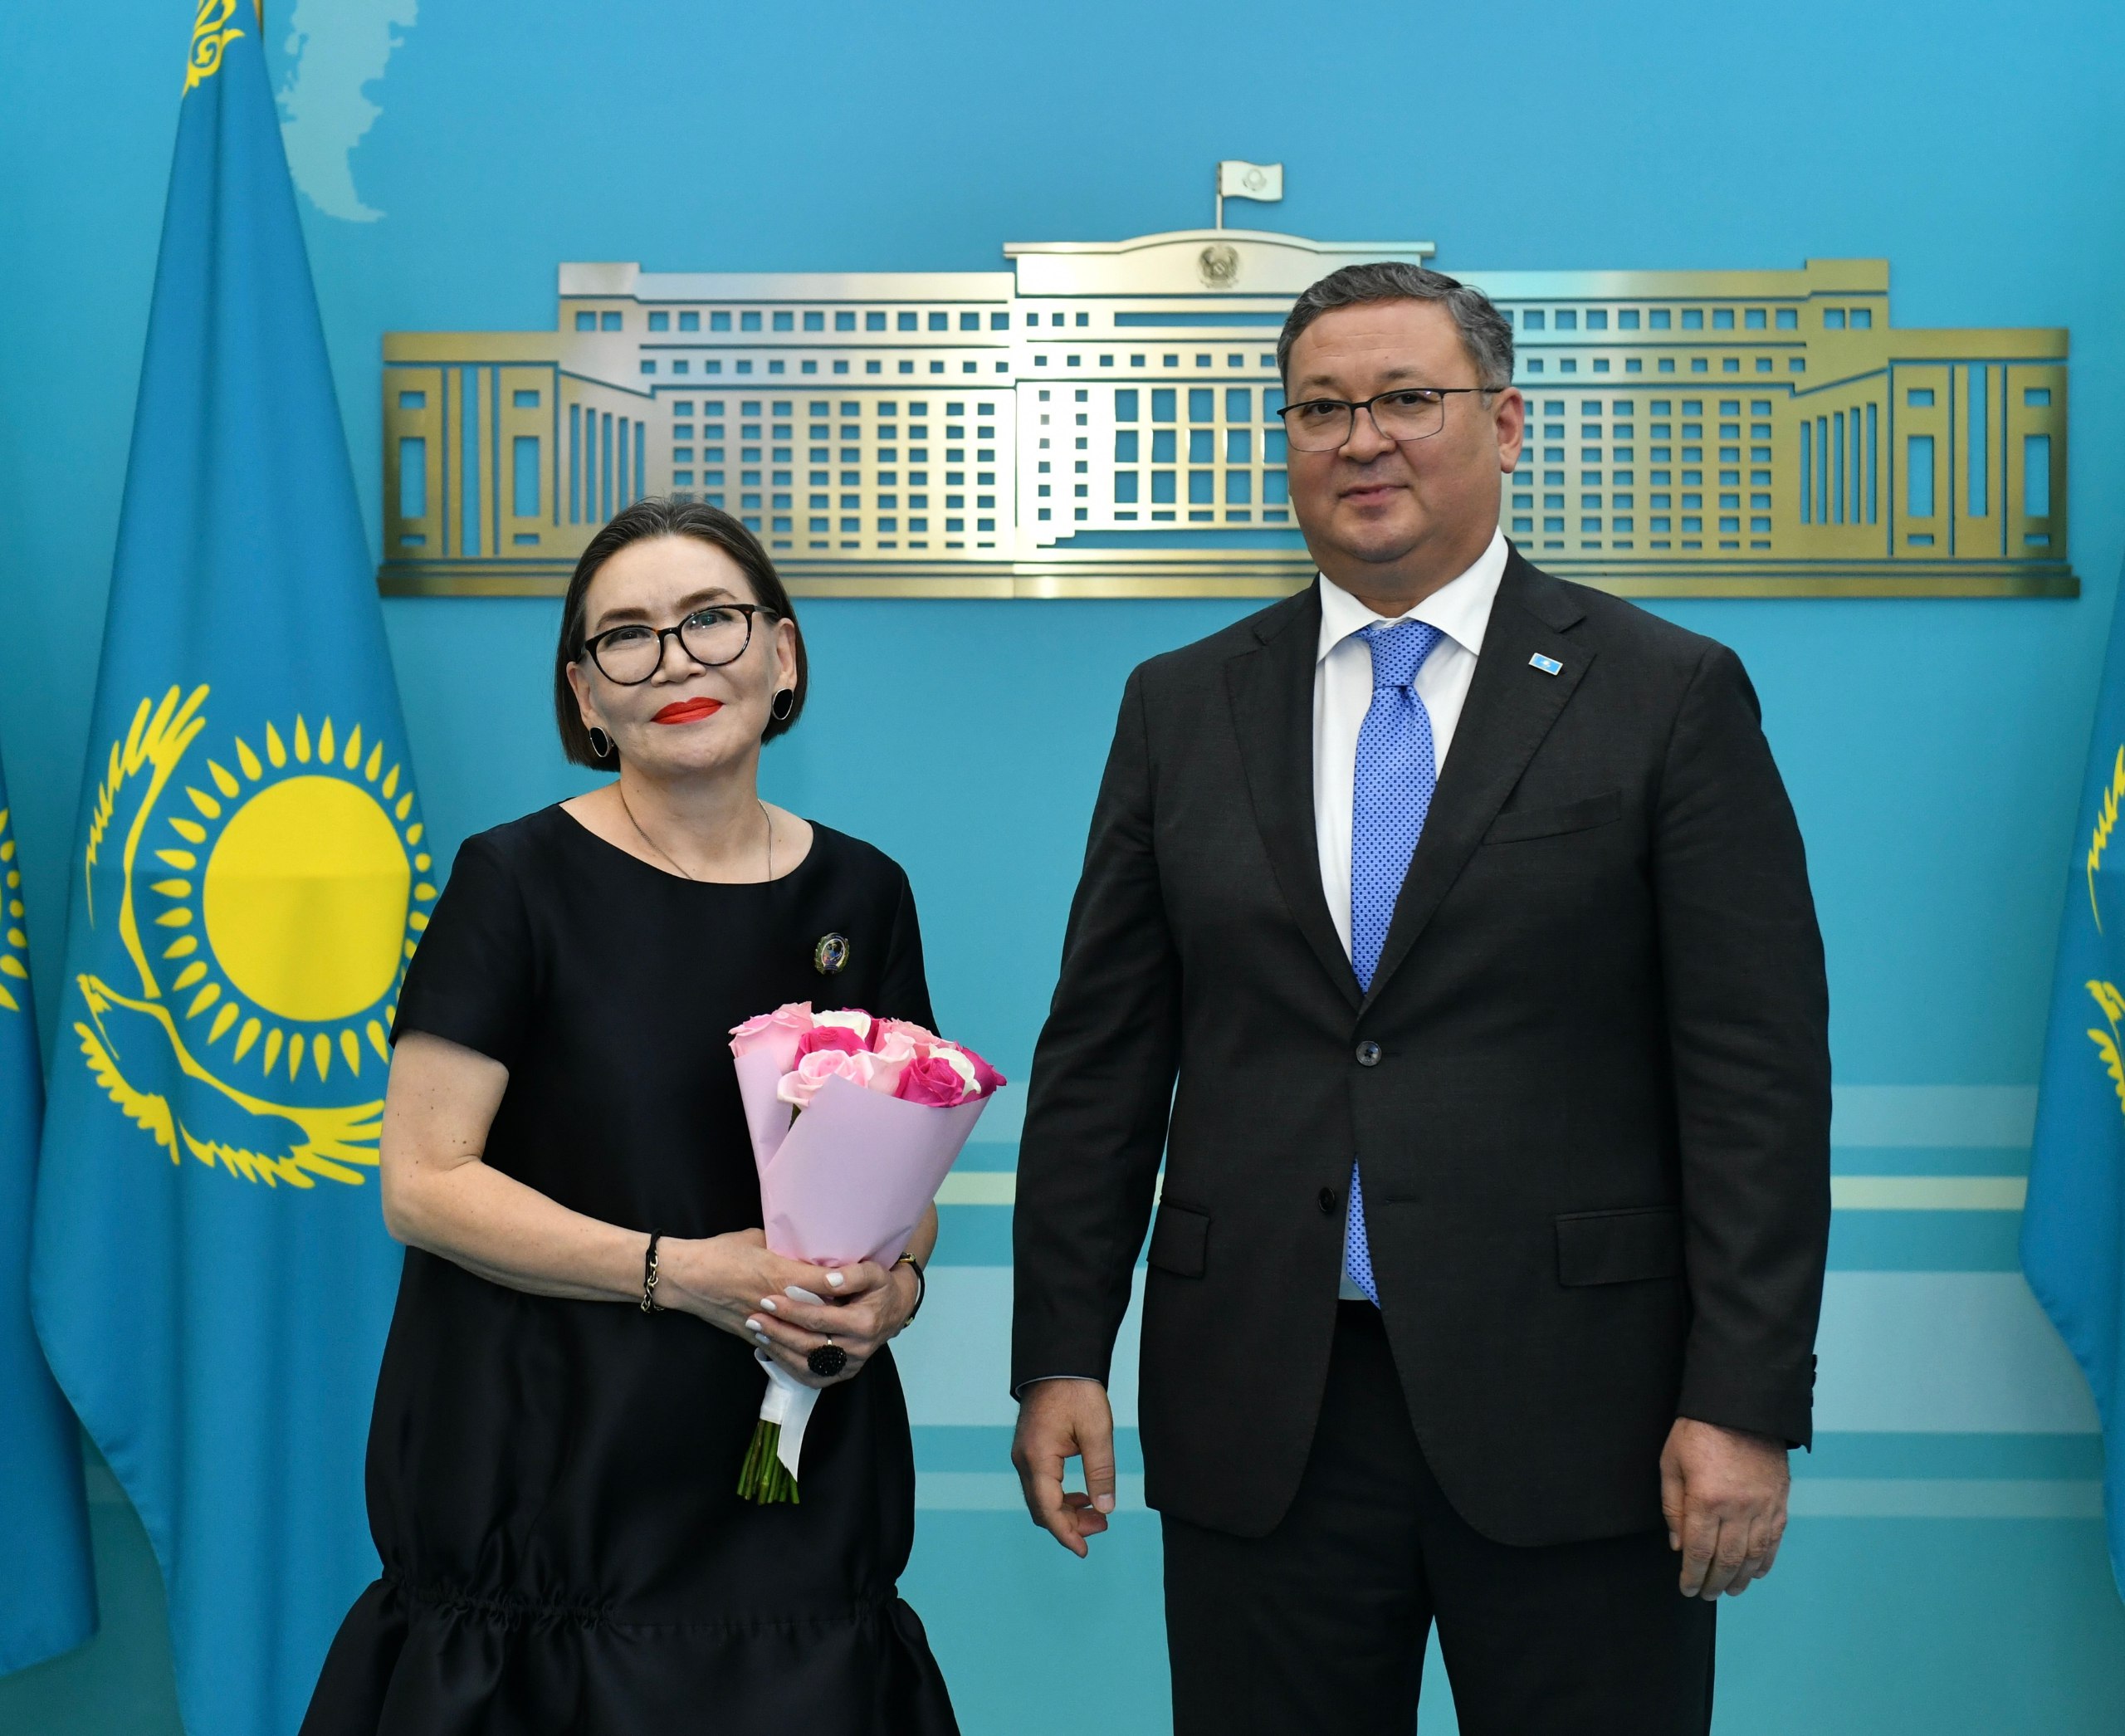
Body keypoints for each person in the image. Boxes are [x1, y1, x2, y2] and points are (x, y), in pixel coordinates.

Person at [1009, 262, 1831, 1734]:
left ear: (1505, 425)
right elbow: (1103, 1063)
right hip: (1263, 1406)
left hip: (1583, 1413)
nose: (1362, 439)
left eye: (1406, 398)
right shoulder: (1180, 705)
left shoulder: (1665, 693)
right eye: (1320, 409)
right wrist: (1063, 1347)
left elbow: (1755, 1081)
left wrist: (1746, 1397)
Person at [304, 499, 959, 1734]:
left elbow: (904, 1181)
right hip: (554, 1495)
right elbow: (424, 1183)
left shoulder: (864, 892)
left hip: (792, 1489)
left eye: (712, 620)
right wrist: (678, 1273)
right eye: (626, 637)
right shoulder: (512, 881)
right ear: (586, 696)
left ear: (783, 654)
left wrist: (894, 1292)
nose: (675, 662)